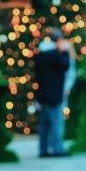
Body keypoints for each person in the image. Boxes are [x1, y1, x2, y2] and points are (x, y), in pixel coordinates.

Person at [33, 28, 71, 158]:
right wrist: (65, 51)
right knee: (56, 123)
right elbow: (65, 65)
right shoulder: (57, 55)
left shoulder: (40, 55)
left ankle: (43, 149)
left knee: (44, 124)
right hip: (55, 94)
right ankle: (57, 149)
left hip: (42, 94)